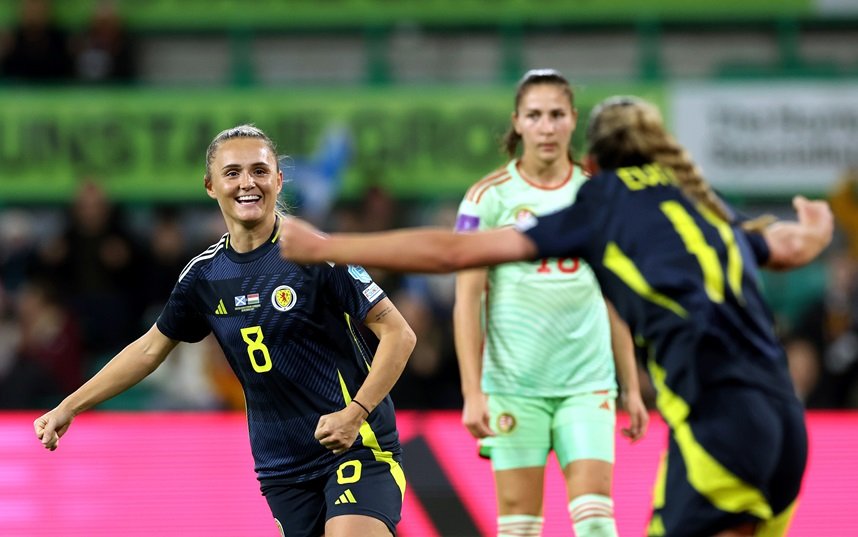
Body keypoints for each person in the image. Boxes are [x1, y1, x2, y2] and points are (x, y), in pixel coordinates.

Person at [278, 97, 834, 537]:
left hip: (722, 431)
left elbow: (453, 254)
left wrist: (329, 243)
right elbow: (786, 247)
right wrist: (817, 229)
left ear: (592, 164)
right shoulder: (697, 200)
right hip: (788, 426)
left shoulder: (601, 205)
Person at [34, 124, 416, 537]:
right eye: (232, 172)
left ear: (278, 180)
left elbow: (399, 333)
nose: (247, 182)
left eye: (259, 171)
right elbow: (149, 350)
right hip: (281, 467)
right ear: (210, 186)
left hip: (355, 446)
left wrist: (354, 414)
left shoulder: (316, 255)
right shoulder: (204, 276)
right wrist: (68, 407)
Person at [452, 69, 647, 537]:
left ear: (573, 121)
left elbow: (614, 298)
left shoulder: (599, 195)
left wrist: (631, 385)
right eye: (535, 116)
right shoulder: (487, 199)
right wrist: (472, 391)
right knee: (519, 529)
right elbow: (466, 302)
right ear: (517, 122)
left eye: (557, 115)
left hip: (587, 384)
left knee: (597, 522)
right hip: (515, 388)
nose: (547, 127)